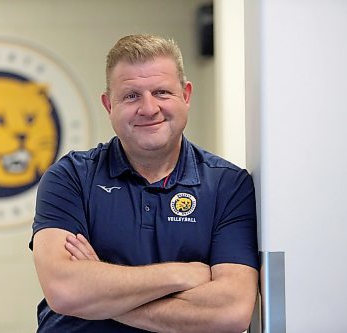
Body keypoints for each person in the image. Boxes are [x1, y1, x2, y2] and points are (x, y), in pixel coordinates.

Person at [29, 34, 259, 333]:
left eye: (162, 92)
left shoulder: (229, 186)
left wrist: (99, 293)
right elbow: (65, 290)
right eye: (131, 96)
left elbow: (231, 312)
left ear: (186, 96)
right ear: (108, 104)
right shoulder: (70, 177)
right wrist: (182, 274)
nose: (149, 108)